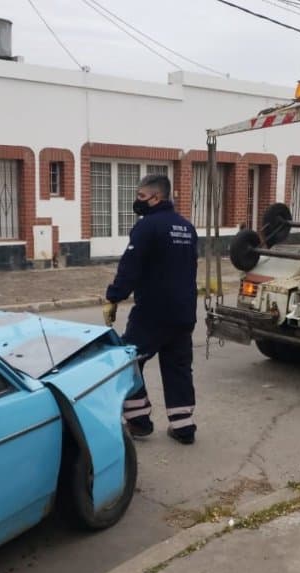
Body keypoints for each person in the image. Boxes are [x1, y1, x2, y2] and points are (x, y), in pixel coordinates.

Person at [103, 173, 198, 445]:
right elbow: (190, 268)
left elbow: (130, 267)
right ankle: (184, 427)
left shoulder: (147, 226)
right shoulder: (186, 227)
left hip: (152, 314)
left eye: (141, 196)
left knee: (127, 362)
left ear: (157, 197)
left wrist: (114, 297)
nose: (138, 201)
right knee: (178, 367)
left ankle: (139, 422)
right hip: (183, 312)